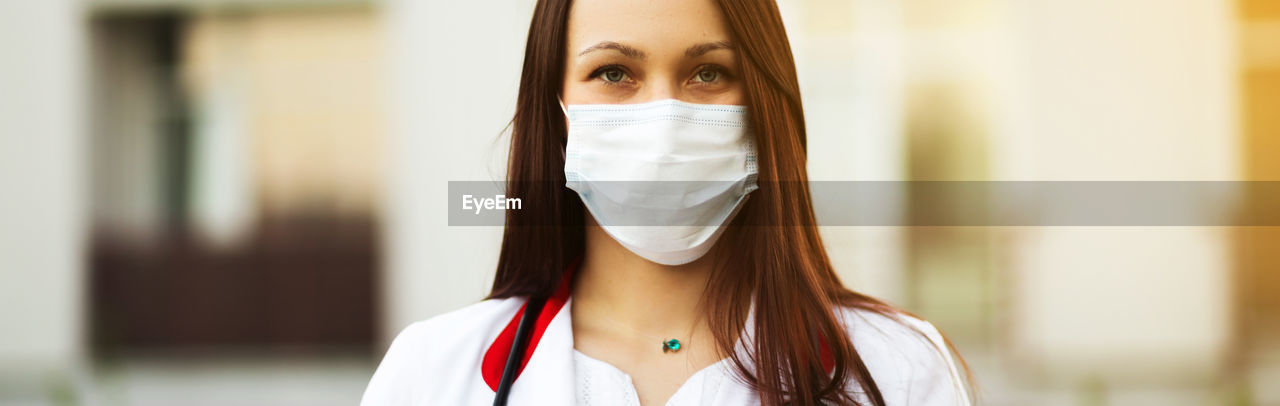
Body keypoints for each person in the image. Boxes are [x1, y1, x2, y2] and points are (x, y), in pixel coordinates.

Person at [361, 0, 972, 404]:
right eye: (612, 73)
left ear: (762, 103)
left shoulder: (896, 371)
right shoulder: (434, 374)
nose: (663, 118)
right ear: (559, 112)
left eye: (707, 73)